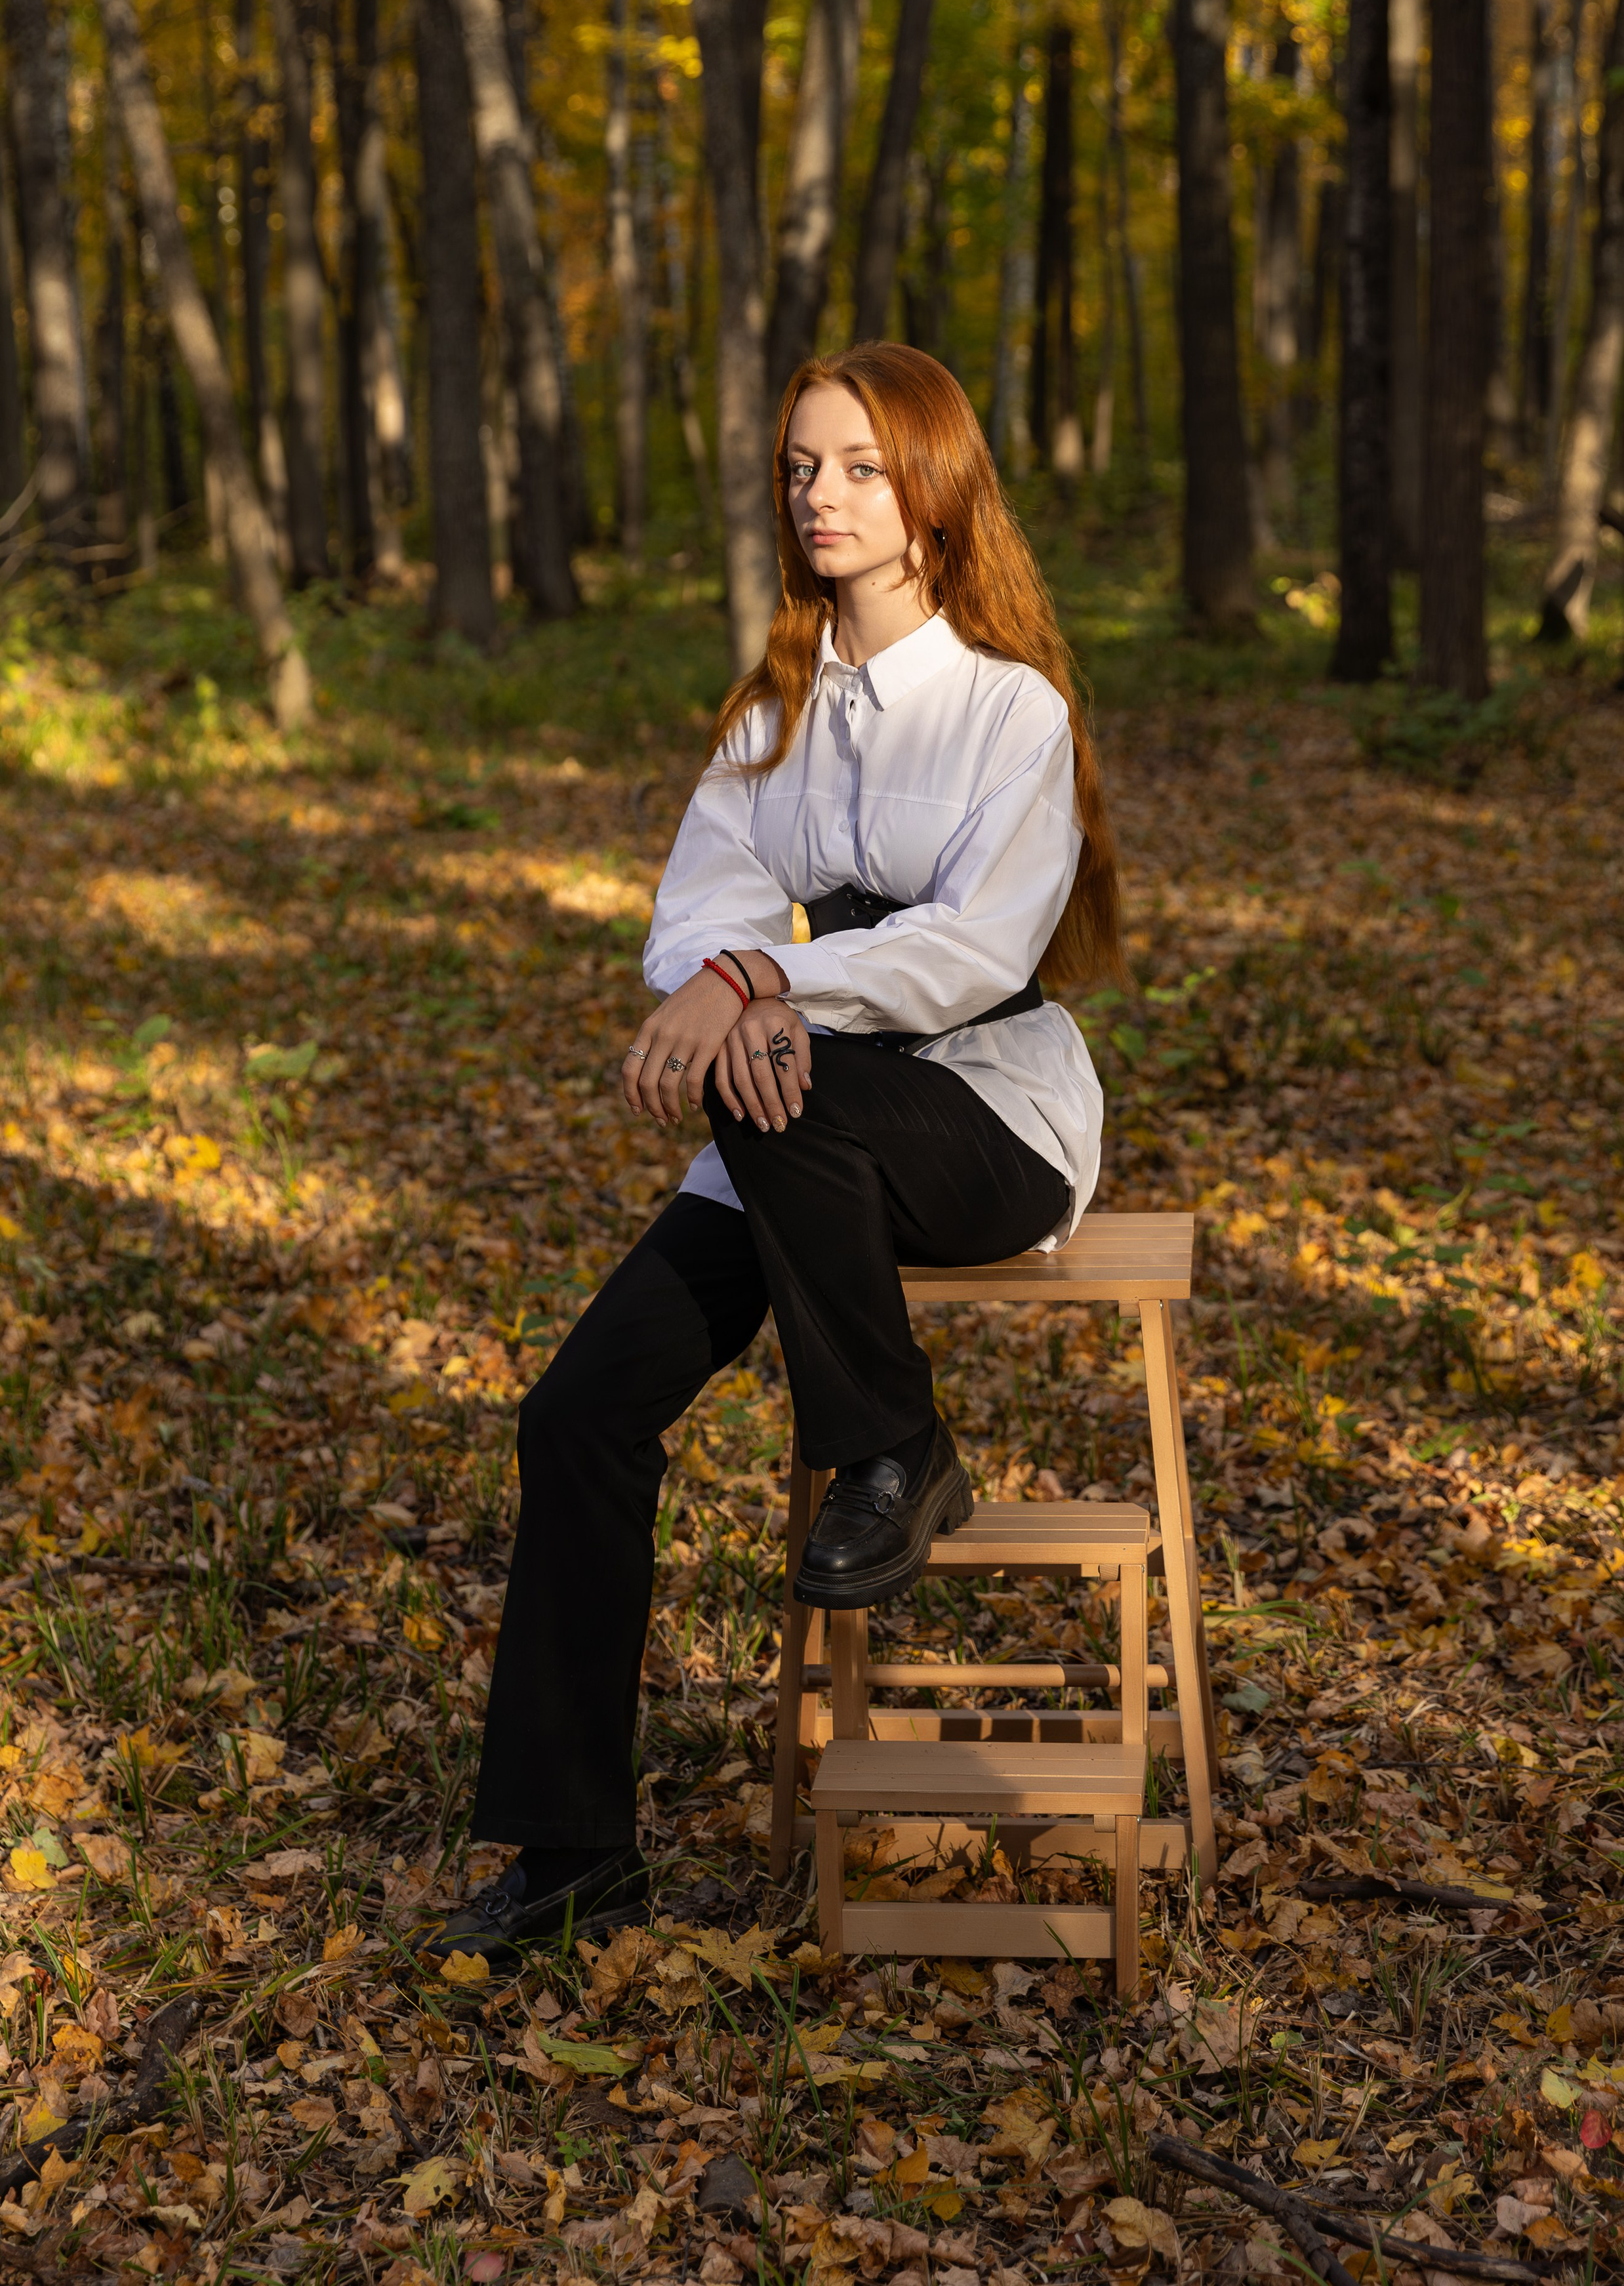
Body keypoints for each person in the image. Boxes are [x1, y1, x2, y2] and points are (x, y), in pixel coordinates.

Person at [422, 342, 1122, 1965]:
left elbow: (963, 953)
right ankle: (573, 1849)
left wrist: (761, 980)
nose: (820, 495)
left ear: (930, 491)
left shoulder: (1011, 710)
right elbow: (699, 907)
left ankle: (893, 1444)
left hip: (981, 1119)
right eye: (803, 467)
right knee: (578, 1413)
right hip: (790, 1108)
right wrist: (738, 975)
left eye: (858, 468)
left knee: (776, 1074)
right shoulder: (773, 709)